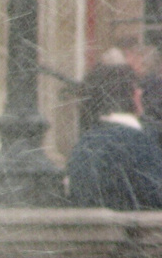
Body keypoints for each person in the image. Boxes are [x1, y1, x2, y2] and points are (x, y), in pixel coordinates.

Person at [67, 64, 162, 210]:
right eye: (136, 87)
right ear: (131, 95)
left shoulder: (85, 143)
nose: (140, 92)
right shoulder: (139, 143)